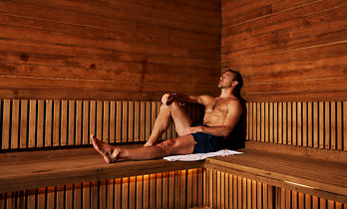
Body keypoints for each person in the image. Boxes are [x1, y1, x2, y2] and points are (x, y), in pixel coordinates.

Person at [91, 70, 244, 163]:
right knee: (169, 104)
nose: (222, 77)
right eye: (222, 75)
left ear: (234, 83)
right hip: (196, 132)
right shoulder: (209, 99)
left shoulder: (234, 103)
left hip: (212, 139)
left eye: (226, 76)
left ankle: (117, 153)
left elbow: (226, 130)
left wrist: (200, 128)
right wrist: (172, 96)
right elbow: (189, 98)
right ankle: (149, 144)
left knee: (168, 144)